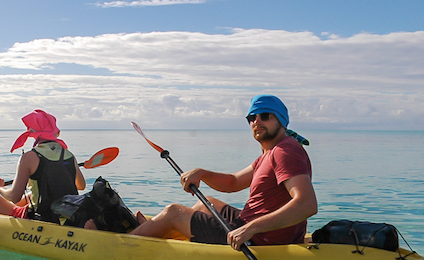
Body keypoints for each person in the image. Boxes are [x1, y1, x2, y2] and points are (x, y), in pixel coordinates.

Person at [130, 95, 317, 249]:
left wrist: (250, 229)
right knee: (207, 203)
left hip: (260, 241)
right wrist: (202, 173)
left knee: (173, 212)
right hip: (253, 228)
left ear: (281, 120)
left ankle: (126, 241)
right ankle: (156, 231)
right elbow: (233, 182)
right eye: (251, 118)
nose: (256, 121)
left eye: (265, 115)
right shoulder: (270, 153)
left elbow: (306, 204)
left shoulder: (285, 152)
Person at [0, 110, 86, 222]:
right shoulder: (69, 155)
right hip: (66, 214)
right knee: (30, 195)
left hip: (39, 217)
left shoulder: (30, 157)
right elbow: (81, 186)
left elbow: (14, 196)